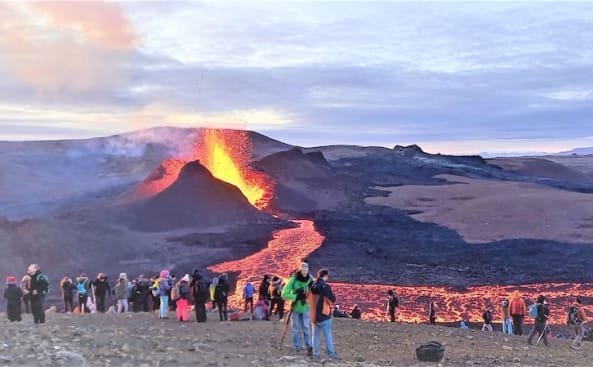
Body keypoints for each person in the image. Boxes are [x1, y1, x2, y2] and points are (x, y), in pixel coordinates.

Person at [281, 261, 314, 355]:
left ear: (308, 269)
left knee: (306, 327)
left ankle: (309, 347)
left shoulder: (310, 279)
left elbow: (313, 292)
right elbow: (284, 294)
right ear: (300, 269)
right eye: (302, 269)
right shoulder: (294, 279)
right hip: (295, 307)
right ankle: (297, 347)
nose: (304, 271)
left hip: (305, 307)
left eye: (306, 269)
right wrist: (295, 296)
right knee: (296, 329)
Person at [310, 269, 340, 361]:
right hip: (324, 315)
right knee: (328, 335)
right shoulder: (325, 287)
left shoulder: (312, 285)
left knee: (315, 335)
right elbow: (331, 300)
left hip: (313, 315)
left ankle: (316, 354)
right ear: (325, 276)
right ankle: (331, 354)